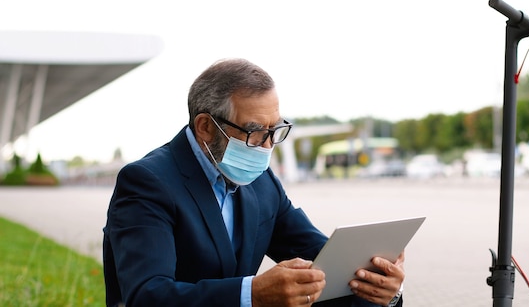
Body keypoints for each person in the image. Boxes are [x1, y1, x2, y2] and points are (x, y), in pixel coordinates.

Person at [102, 58, 405, 306]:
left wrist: (380, 287)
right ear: (206, 127)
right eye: (255, 131)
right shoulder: (146, 182)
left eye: (275, 130)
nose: (267, 146)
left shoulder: (263, 184)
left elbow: (324, 266)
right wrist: (253, 294)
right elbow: (147, 296)